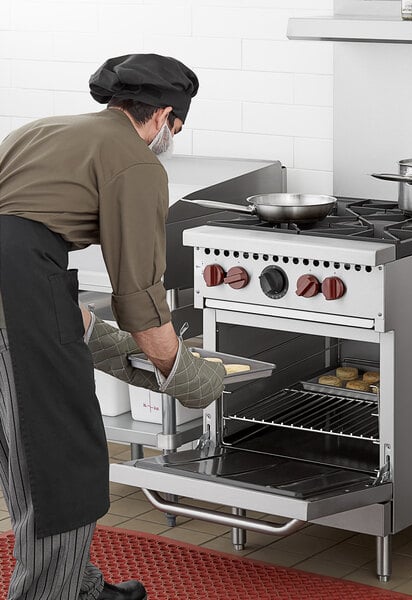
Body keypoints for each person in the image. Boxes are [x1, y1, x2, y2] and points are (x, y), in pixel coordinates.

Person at [0, 54, 225, 600]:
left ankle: (75, 585)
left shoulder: (46, 128)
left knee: (21, 438)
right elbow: (142, 301)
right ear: (164, 116)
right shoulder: (139, 163)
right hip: (24, 279)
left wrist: (60, 311)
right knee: (60, 449)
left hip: (26, 279)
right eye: (176, 126)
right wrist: (184, 373)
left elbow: (23, 226)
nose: (171, 136)